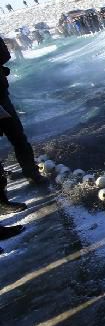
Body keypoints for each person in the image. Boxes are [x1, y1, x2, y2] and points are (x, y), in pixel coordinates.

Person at [0, 38, 43, 204]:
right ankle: (31, 175)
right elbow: (4, 54)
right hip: (1, 98)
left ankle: (31, 174)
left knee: (19, 138)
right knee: (19, 139)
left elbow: (4, 55)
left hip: (2, 97)